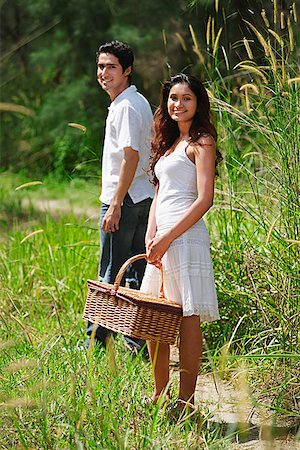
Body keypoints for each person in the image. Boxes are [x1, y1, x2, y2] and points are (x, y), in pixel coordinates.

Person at [140, 73, 221, 411]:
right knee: (152, 317)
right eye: (173, 98)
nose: (178, 104)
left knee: (187, 316)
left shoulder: (201, 142)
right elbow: (159, 195)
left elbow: (205, 199)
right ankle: (160, 393)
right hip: (160, 238)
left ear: (198, 103)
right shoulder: (169, 143)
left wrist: (169, 236)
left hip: (185, 237)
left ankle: (185, 402)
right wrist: (151, 234)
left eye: (186, 98)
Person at [86, 40, 154, 352]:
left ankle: (95, 343)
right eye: (101, 66)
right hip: (142, 198)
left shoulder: (126, 107)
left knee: (109, 273)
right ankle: (134, 342)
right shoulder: (135, 101)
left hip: (124, 200)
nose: (104, 72)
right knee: (136, 274)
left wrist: (114, 204)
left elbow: (130, 156)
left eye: (111, 66)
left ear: (127, 70)